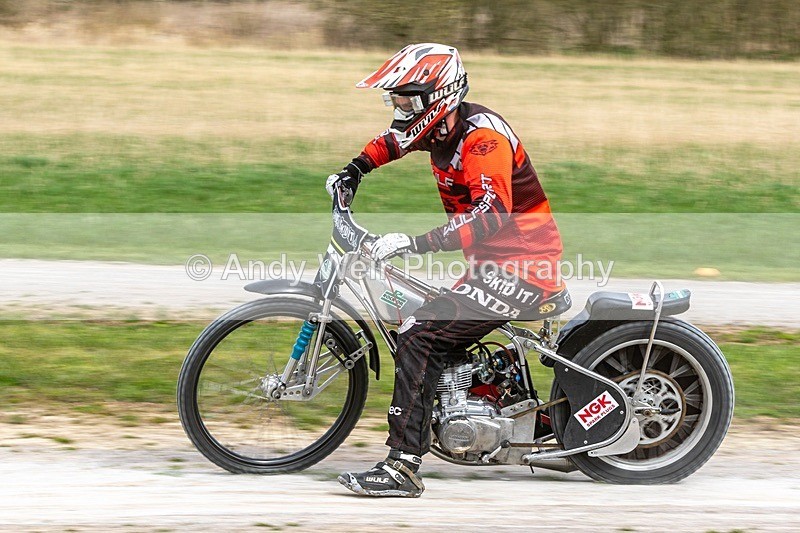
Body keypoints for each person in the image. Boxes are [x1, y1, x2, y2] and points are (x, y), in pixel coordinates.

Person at [327, 43, 571, 497]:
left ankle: (402, 467)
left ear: (438, 96)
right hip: (493, 266)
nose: (399, 109)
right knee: (428, 323)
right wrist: (354, 170)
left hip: (522, 269)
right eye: (395, 99)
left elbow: (491, 214)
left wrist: (414, 244)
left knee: (420, 331)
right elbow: (393, 141)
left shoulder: (483, 140)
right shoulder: (439, 127)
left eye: (406, 99)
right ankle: (502, 412)